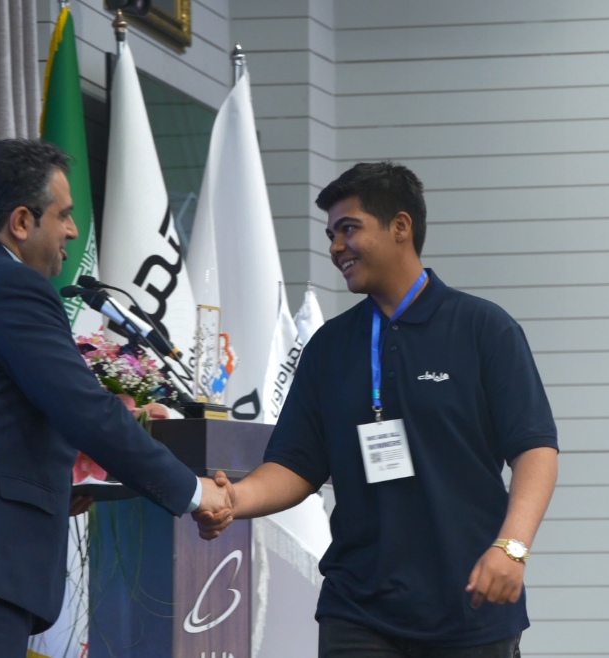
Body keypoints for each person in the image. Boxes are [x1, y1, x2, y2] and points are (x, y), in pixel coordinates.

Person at [0, 139, 233, 658]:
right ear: (22, 221)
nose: (72, 231)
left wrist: (50, 487)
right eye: (64, 214)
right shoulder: (11, 286)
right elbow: (86, 410)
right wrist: (192, 492)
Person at [196, 162, 558, 657]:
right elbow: (296, 465)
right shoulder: (328, 347)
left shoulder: (484, 329)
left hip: (470, 605)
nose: (335, 247)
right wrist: (235, 498)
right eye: (331, 234)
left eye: (349, 229)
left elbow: (535, 449)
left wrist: (511, 548)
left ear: (400, 226)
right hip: (358, 610)